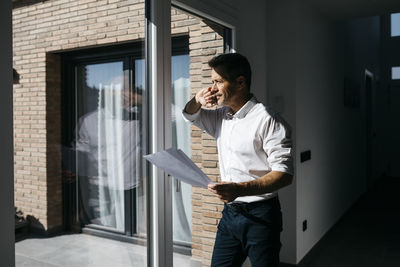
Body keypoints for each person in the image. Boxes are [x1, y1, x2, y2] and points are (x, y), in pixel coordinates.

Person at [182, 53, 293, 267]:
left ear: (240, 82)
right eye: (212, 82)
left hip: (261, 217)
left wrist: (239, 189)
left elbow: (284, 175)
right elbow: (190, 114)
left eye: (218, 81)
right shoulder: (221, 117)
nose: (212, 88)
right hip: (230, 216)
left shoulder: (268, 120)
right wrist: (197, 99)